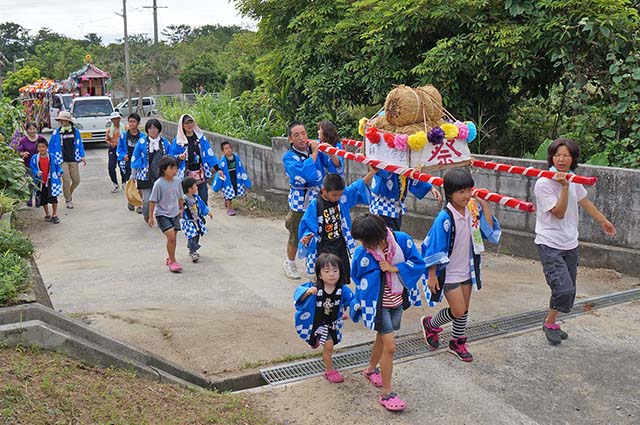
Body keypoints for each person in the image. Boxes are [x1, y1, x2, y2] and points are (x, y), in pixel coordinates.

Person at [534, 138, 616, 345]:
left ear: (573, 159)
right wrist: (563, 187)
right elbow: (559, 213)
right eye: (557, 155)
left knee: (567, 289)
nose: (561, 159)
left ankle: (551, 322)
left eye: (566, 155)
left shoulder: (572, 178)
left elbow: (584, 201)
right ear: (551, 157)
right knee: (564, 290)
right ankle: (549, 322)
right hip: (549, 242)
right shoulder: (544, 183)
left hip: (570, 243)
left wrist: (603, 221)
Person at [420, 168, 501, 362]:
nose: (467, 195)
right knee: (457, 310)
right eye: (461, 192)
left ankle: (457, 342)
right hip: (449, 272)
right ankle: (431, 324)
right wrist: (432, 275)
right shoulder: (445, 218)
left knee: (464, 308)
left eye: (468, 190)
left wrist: (485, 206)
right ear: (450, 193)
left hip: (468, 268)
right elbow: (434, 247)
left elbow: (489, 232)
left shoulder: (473, 209)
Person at [350, 213, 426, 412]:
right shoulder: (363, 253)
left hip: (397, 300)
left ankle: (370, 369)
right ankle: (387, 392)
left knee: (382, 339)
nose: (365, 246)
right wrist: (361, 299)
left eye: (367, 241)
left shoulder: (402, 241)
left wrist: (394, 268)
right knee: (390, 346)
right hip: (378, 305)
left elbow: (418, 263)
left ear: (381, 235)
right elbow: (356, 276)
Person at [298, 168, 376, 283]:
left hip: (340, 244)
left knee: (342, 276)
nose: (338, 197)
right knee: (326, 278)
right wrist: (307, 236)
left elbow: (356, 186)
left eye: (340, 194)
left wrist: (372, 173)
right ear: (324, 190)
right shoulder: (315, 205)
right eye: (335, 195)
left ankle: (341, 298)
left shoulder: (342, 198)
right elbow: (307, 225)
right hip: (323, 247)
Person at [293, 253, 361, 383]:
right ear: (319, 274)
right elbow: (298, 297)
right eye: (327, 271)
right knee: (329, 345)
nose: (332, 274)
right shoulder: (314, 288)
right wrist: (307, 293)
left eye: (335, 271)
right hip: (316, 323)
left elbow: (352, 300)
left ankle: (314, 341)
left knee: (328, 343)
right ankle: (329, 370)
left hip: (332, 323)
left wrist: (356, 307)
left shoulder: (343, 290)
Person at [282, 121, 324, 279]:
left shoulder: (316, 148)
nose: (301, 137)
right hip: (299, 200)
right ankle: (290, 263)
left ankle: (317, 267)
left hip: (317, 197)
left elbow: (333, 163)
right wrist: (313, 155)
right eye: (296, 135)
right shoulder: (288, 157)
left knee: (317, 232)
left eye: (304, 133)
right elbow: (303, 174)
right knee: (296, 232)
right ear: (290, 139)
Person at [170, 114, 224, 205]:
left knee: (203, 198)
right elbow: (172, 157)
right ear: (182, 125)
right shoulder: (178, 140)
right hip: (186, 174)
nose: (189, 125)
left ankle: (201, 216)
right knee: (187, 199)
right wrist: (179, 157)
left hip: (200, 172)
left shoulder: (200, 138)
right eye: (186, 123)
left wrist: (217, 169)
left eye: (191, 122)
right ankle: (189, 217)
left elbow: (209, 153)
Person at [369, 169, 442, 231]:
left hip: (397, 205)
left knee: (394, 236)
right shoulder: (385, 156)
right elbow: (378, 169)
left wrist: (430, 188)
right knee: (386, 238)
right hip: (382, 204)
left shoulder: (405, 161)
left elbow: (413, 176)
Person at [130, 119, 171, 223]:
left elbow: (171, 158)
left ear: (159, 129)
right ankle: (147, 214)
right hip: (145, 175)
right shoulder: (142, 142)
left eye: (155, 128)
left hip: (161, 175)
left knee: (162, 199)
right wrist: (133, 174)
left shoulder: (165, 142)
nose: (152, 130)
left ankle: (162, 218)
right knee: (147, 200)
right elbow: (135, 158)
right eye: (150, 128)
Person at [148, 155, 184, 273]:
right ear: (164, 169)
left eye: (176, 168)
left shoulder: (177, 181)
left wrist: (181, 208)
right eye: (171, 168)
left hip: (174, 213)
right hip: (162, 213)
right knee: (171, 237)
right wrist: (151, 217)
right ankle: (173, 262)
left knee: (173, 239)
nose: (175, 171)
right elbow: (153, 201)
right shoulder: (158, 184)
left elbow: (180, 196)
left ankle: (170, 257)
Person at [47, 111, 86, 209]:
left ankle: (68, 193)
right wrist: (50, 158)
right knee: (66, 180)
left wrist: (82, 155)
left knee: (77, 180)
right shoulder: (56, 132)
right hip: (61, 159)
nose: (61, 122)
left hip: (73, 158)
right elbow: (51, 146)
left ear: (68, 121)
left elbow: (79, 144)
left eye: (63, 120)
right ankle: (68, 200)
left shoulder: (75, 131)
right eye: (60, 120)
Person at [212, 141, 252, 216]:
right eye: (226, 149)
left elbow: (241, 168)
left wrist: (245, 180)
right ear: (223, 151)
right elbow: (219, 173)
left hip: (236, 177)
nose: (228, 150)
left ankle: (228, 203)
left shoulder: (236, 158)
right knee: (229, 195)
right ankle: (229, 208)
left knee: (234, 192)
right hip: (227, 180)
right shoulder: (222, 161)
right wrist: (218, 184)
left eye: (229, 148)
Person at [117, 113, 146, 212]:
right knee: (131, 183)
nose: (131, 123)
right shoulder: (123, 136)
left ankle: (139, 205)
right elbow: (119, 149)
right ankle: (131, 201)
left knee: (140, 185)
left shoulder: (143, 137)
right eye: (130, 121)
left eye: (134, 121)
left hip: (140, 164)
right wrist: (122, 156)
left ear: (138, 123)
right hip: (128, 163)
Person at [29, 139, 63, 224]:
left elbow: (57, 166)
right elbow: (32, 167)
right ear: (37, 148)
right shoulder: (34, 158)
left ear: (47, 147)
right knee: (43, 199)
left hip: (51, 181)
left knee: (54, 198)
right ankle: (47, 214)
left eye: (43, 147)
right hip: (41, 182)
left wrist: (60, 172)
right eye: (39, 147)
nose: (41, 149)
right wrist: (36, 172)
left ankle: (54, 215)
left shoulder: (52, 156)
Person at [181, 176, 213, 262]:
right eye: (195, 186)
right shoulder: (183, 199)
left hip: (196, 220)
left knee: (197, 233)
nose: (197, 187)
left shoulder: (196, 198)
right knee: (193, 235)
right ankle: (193, 251)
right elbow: (179, 208)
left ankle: (191, 245)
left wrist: (207, 212)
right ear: (189, 188)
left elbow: (202, 206)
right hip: (188, 221)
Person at [105, 111, 126, 193]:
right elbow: (107, 140)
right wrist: (111, 144)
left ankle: (124, 182)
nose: (116, 121)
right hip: (113, 149)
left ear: (119, 119)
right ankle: (115, 183)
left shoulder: (124, 128)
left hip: (122, 149)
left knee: (122, 166)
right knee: (111, 166)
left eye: (117, 119)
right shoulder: (109, 130)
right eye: (114, 119)